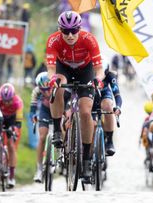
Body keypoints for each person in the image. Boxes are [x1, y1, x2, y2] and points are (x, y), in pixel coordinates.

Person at [45, 10, 104, 180]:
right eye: (65, 31)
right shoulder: (53, 40)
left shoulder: (89, 39)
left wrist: (97, 80)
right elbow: (50, 69)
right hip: (63, 68)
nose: (70, 35)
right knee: (58, 87)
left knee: (86, 113)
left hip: (85, 71)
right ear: (59, 29)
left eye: (74, 31)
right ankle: (57, 129)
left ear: (79, 29)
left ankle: (85, 161)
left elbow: (99, 69)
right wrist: (53, 79)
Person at [92, 61, 122, 156]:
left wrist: (118, 107)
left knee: (108, 105)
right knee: (92, 125)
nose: (99, 76)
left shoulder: (110, 76)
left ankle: (109, 141)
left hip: (104, 96)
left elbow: (117, 94)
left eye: (102, 74)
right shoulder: (87, 74)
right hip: (90, 99)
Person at [0, 83, 23, 188]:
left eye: (9, 101)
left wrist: (14, 129)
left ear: (13, 97)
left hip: (12, 120)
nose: (7, 103)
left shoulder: (18, 102)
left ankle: (11, 176)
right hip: (1, 118)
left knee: (11, 145)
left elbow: (19, 122)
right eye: (5, 101)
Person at [29, 72, 53, 183]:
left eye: (48, 89)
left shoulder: (57, 87)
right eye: (43, 90)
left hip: (57, 109)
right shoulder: (36, 91)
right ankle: (39, 168)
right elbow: (32, 109)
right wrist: (33, 117)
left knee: (63, 130)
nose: (47, 92)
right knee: (42, 137)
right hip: (45, 111)